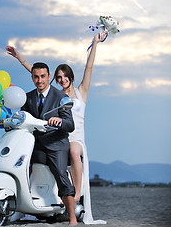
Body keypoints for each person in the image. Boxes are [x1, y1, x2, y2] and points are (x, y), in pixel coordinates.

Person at [6, 32, 107, 224]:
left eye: (65, 76)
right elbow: (37, 75)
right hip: (53, 135)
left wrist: (95, 43)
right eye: (59, 78)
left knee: (73, 151)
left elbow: (89, 67)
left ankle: (75, 196)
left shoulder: (80, 92)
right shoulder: (55, 94)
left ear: (70, 77)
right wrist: (19, 57)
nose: (62, 80)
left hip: (73, 136)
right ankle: (25, 199)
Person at [20, 62, 77, 226]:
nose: (39, 80)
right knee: (20, 164)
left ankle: (72, 217)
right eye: (36, 77)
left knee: (60, 171)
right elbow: (22, 117)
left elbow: (70, 125)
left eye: (43, 76)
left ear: (49, 77)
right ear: (32, 78)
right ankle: (22, 204)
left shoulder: (61, 98)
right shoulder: (28, 97)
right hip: (35, 143)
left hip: (56, 143)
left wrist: (60, 120)